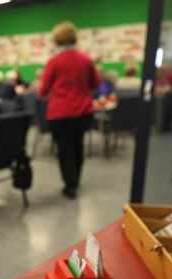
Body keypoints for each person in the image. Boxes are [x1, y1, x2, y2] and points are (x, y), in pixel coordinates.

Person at [39, 21, 100, 199]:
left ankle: (70, 184)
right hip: (83, 112)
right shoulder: (86, 59)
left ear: (56, 40)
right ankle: (76, 180)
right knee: (78, 146)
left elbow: (43, 91)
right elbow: (95, 84)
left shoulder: (54, 62)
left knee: (64, 149)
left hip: (60, 113)